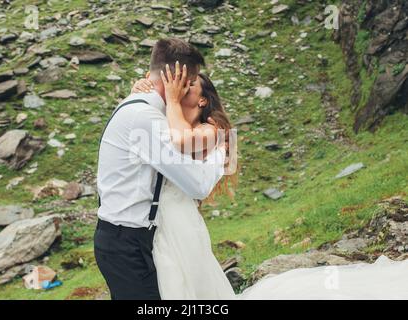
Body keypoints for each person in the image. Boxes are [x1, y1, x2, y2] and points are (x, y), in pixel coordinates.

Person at [130, 67, 408, 300]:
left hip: (179, 223)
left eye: (190, 84)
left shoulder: (212, 130)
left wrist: (172, 101)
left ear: (203, 100)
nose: (179, 86)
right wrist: (144, 89)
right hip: (158, 222)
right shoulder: (170, 119)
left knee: (184, 284)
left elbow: (178, 140)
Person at [93, 38, 227, 300]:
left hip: (136, 239)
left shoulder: (144, 107)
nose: (190, 87)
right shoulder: (146, 118)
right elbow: (197, 185)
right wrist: (220, 154)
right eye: (189, 81)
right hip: (125, 243)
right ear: (176, 79)